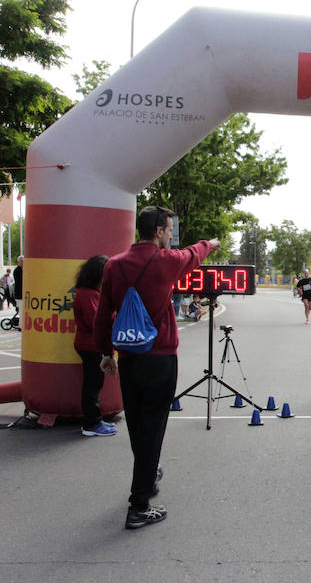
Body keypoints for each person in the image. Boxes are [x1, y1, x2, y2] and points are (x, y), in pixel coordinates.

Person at [94, 205, 220, 529]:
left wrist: (106, 353)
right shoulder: (167, 261)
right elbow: (194, 254)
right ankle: (138, 506)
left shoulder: (114, 265)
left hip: (128, 356)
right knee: (153, 428)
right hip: (160, 356)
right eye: (168, 229)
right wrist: (211, 243)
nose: (169, 235)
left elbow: (102, 313)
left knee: (137, 425)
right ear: (161, 232)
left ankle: (147, 479)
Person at [74, 254, 116, 437]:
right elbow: (96, 321)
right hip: (91, 345)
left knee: (94, 383)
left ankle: (94, 420)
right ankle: (91, 423)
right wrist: (115, 314)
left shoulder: (89, 293)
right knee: (93, 384)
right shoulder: (88, 294)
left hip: (90, 344)